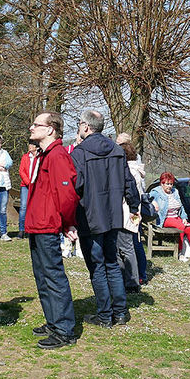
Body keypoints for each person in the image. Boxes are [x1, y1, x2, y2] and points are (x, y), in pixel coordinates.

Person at [71, 110, 140, 327]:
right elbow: (129, 182)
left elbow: (76, 186)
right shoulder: (117, 151)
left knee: (97, 266)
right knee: (112, 262)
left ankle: (104, 314)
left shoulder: (80, 153)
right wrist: (134, 204)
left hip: (89, 216)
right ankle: (119, 312)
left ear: (85, 126)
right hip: (112, 215)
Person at [25, 110, 81, 349]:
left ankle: (64, 330)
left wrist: (68, 222)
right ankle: (53, 321)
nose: (31, 128)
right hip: (37, 225)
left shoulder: (57, 156)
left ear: (50, 129)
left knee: (53, 277)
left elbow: (67, 195)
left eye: (36, 124)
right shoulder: (44, 155)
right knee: (42, 276)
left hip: (48, 226)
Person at [149, 172, 190, 261]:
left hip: (176, 217)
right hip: (165, 218)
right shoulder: (156, 192)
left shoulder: (175, 192)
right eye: (167, 184)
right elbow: (146, 199)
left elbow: (181, 207)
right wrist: (153, 203)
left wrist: (184, 218)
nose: (169, 186)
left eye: (171, 184)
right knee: (181, 227)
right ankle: (180, 252)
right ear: (162, 183)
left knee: (189, 228)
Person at [120, 142, 146, 290]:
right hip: (133, 211)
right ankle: (134, 277)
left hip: (129, 211)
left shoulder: (131, 171)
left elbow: (132, 194)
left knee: (130, 246)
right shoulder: (135, 169)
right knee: (133, 244)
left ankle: (133, 280)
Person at [18, 141, 39, 239]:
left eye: (32, 145)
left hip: (37, 186)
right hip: (26, 185)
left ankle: (32, 229)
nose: (30, 146)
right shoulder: (25, 157)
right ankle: (21, 229)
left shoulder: (39, 157)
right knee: (23, 207)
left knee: (35, 207)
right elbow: (21, 171)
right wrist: (28, 182)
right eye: (29, 144)